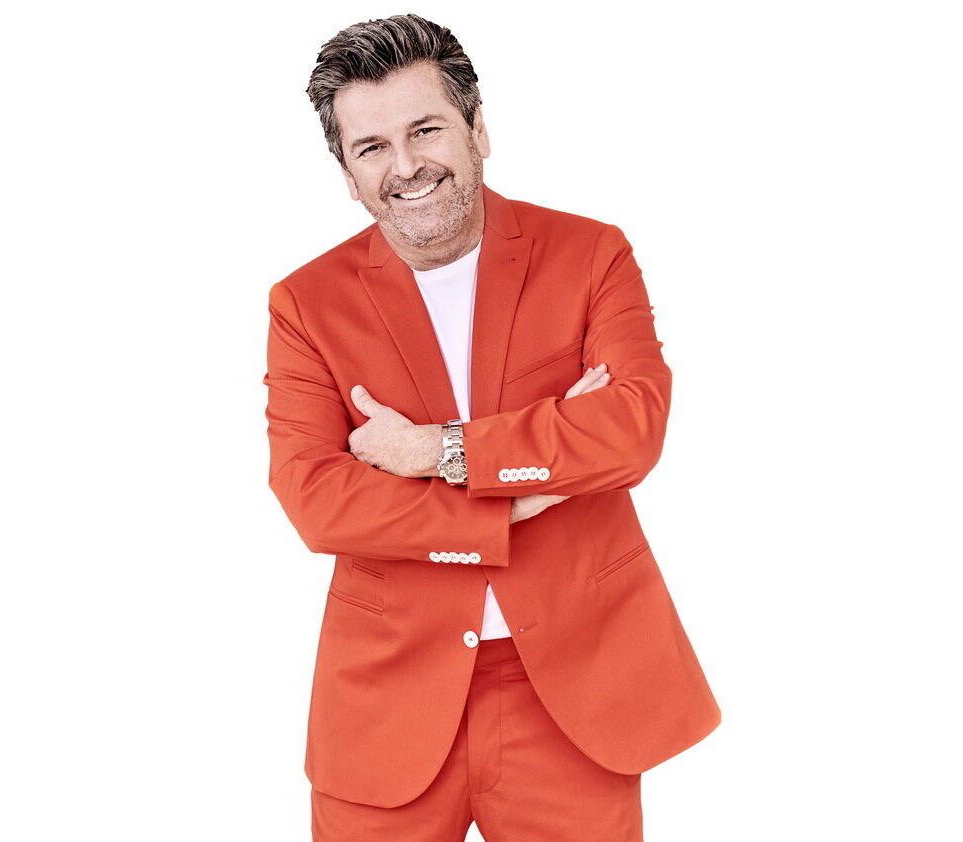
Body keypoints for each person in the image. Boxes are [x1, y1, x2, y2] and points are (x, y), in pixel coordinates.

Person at [263, 13, 721, 840]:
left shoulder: (591, 255)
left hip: (574, 693)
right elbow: (316, 501)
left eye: (425, 129)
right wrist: (509, 503)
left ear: (476, 129)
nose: (406, 166)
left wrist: (431, 452)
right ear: (347, 174)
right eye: (371, 148)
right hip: (385, 702)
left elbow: (629, 430)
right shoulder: (304, 304)